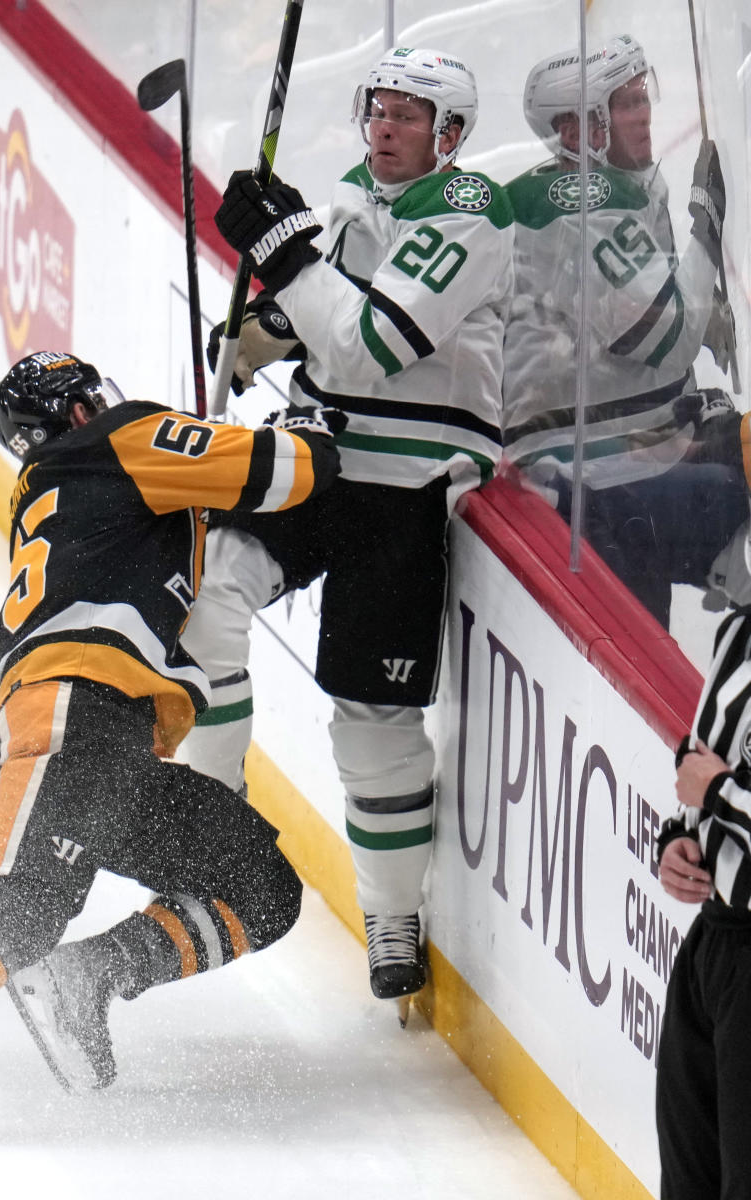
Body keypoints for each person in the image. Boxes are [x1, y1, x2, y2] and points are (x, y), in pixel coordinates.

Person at [0, 351, 341, 1140]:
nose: (105, 402)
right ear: (73, 412)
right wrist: (303, 429)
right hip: (65, 722)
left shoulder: (81, 489)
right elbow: (294, 472)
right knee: (18, 908)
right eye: (90, 396)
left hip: (112, 744)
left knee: (258, 883)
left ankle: (91, 974)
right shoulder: (119, 441)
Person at [177, 47, 514, 1007]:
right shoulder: (364, 201)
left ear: (451, 135)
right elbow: (325, 317)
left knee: (373, 717)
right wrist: (259, 330)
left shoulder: (470, 216)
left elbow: (374, 344)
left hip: (402, 490)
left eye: (408, 115)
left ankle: (392, 914)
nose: (384, 125)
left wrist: (286, 256)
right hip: (314, 460)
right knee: (210, 597)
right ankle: (212, 821)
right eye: (378, 107)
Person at [502, 34, 749, 628]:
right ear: (575, 132)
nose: (645, 118)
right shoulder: (581, 201)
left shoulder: (603, 188)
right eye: (627, 106)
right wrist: (706, 229)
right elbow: (666, 334)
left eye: (644, 100)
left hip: (625, 456)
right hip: (594, 486)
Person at [655, 605, 751, 1198]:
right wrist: (679, 838)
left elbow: (713, 780)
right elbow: (700, 760)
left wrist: (720, 792)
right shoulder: (739, 631)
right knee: (689, 1175)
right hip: (712, 946)